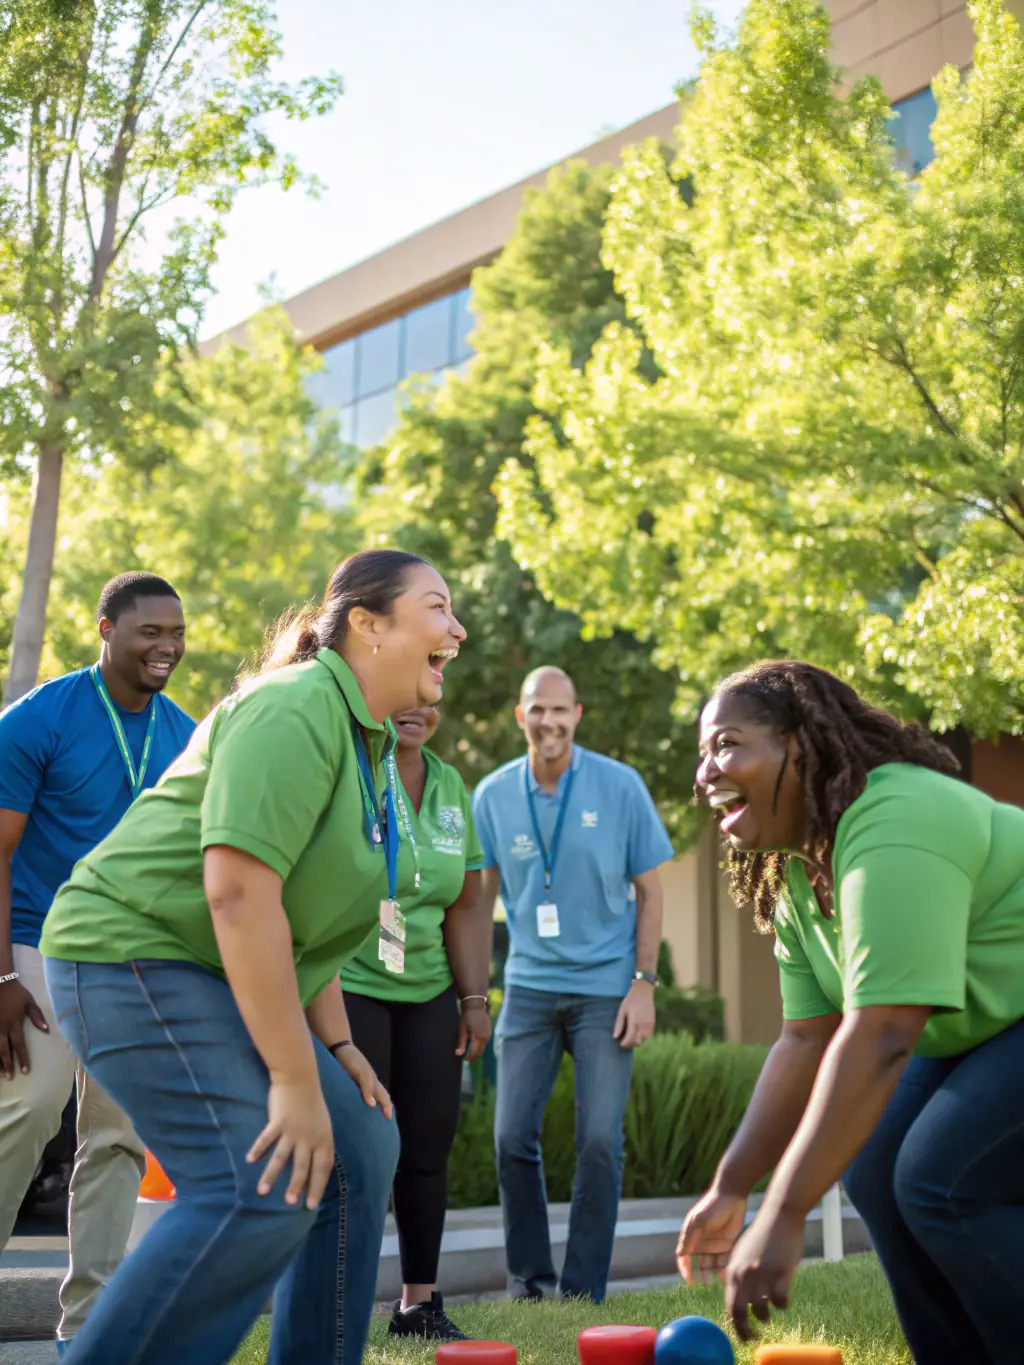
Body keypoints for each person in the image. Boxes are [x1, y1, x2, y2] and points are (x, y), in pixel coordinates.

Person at [38, 549, 466, 1365]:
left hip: (207, 970)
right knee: (258, 1184)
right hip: (129, 954)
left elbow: (307, 925)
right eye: (438, 607)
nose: (458, 628)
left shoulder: (366, 739)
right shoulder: (295, 707)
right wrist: (295, 1079)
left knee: (361, 1143)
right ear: (369, 626)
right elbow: (239, 895)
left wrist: (337, 1051)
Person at [676, 660, 1024, 1362]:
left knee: (938, 1177)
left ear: (800, 744)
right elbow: (805, 1040)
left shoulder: (895, 818)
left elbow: (886, 1033)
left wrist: (784, 1212)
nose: (705, 771)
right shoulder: (799, 875)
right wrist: (734, 1185)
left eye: (727, 744)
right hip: (990, 1022)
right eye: (703, 752)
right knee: (876, 1173)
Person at [0, 571, 193, 1356]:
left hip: (133, 960)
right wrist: (2, 977)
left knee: (116, 1136)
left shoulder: (184, 734)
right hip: (38, 942)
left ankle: (91, 1328)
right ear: (106, 628)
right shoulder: (40, 717)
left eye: (177, 633)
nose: (168, 647)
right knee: (30, 1106)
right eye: (151, 631)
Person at [472, 666, 674, 1304]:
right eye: (537, 710)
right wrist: (474, 996)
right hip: (528, 987)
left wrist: (644, 983)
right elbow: (480, 904)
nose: (548, 722)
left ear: (577, 715)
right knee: (510, 1138)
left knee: (597, 1142)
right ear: (520, 716)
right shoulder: (494, 795)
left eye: (560, 711)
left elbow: (651, 890)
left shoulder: (620, 786)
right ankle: (530, 1283)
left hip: (606, 989)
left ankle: (583, 1290)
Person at [341, 704, 492, 1342]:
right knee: (362, 1153)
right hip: (352, 984)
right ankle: (339, 1302)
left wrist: (474, 998)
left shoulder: (451, 784)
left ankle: (418, 1306)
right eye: (403, 699)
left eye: (431, 698)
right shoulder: (350, 772)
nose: (419, 711)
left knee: (427, 1150)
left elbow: (466, 901)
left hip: (428, 989)